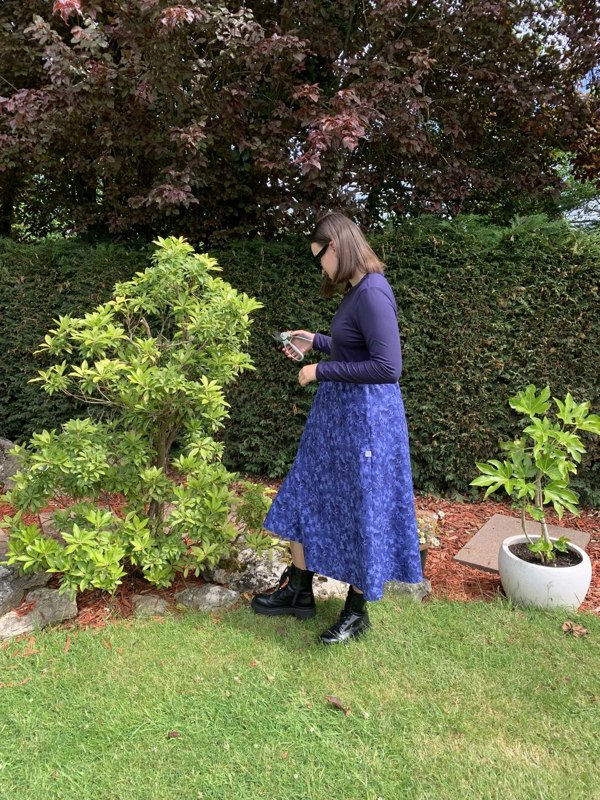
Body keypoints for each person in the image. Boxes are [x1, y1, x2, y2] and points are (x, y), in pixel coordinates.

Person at [251, 212, 423, 644]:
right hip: (338, 419)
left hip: (367, 422)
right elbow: (355, 347)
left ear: (337, 245)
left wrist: (319, 371)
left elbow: (388, 367)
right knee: (306, 490)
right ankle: (298, 591)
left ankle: (356, 612)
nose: (321, 268)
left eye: (320, 258)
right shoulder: (356, 292)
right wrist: (316, 340)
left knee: (363, 507)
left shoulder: (373, 292)